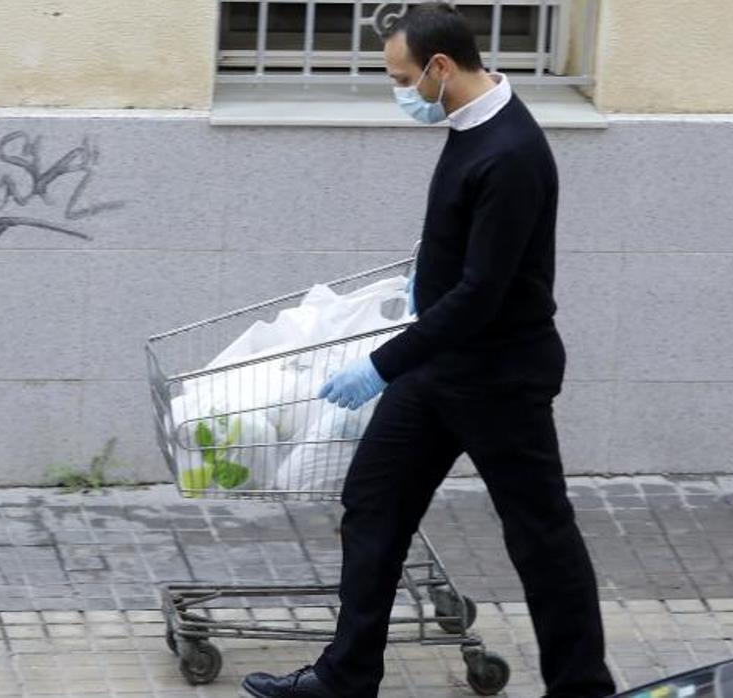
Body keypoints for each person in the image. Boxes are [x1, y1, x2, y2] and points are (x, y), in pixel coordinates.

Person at [241, 4, 617, 698]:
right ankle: (345, 678)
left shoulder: (510, 153)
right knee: (373, 503)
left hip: (500, 377)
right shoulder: (471, 127)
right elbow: (466, 258)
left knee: (539, 536)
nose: (401, 92)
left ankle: (583, 687)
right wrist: (424, 275)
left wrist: (381, 365)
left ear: (441, 67)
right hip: (441, 369)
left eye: (404, 77)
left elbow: (482, 295)